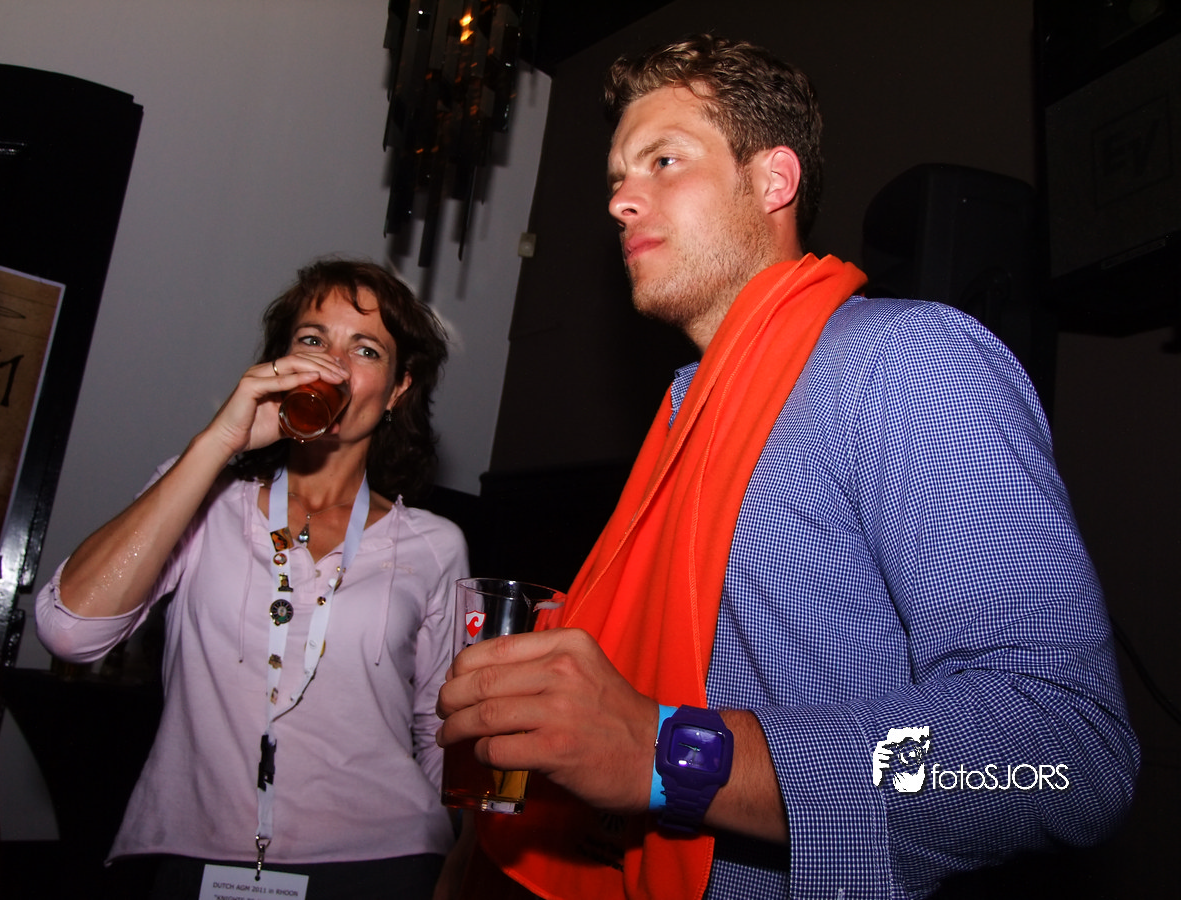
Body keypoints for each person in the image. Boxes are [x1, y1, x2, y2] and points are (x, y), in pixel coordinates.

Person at [435, 35, 1139, 900]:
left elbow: (1062, 753)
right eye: (616, 177)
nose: (620, 200)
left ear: (775, 180)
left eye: (663, 160)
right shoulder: (686, 417)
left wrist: (673, 755)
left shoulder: (907, 361)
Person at [36, 258, 467, 899]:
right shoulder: (204, 502)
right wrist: (219, 442)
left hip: (385, 862)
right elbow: (69, 632)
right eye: (313, 339)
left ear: (398, 388)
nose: (332, 365)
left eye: (365, 349)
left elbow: (439, 727)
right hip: (199, 855)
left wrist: (458, 867)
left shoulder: (435, 545)